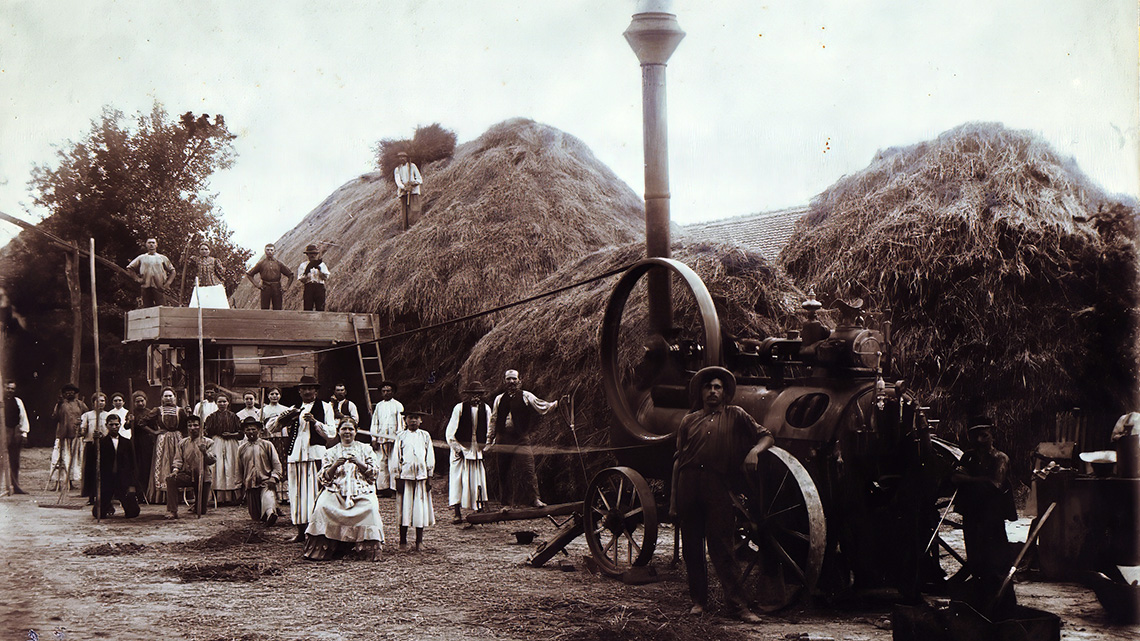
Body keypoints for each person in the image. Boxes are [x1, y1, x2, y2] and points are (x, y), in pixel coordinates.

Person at [670, 366, 773, 623]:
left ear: (724, 392)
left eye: (717, 387)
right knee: (692, 548)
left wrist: (754, 451)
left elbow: (766, 436)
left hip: (717, 484)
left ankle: (738, 606)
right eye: (708, 387)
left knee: (723, 548)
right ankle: (698, 602)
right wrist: (673, 501)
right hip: (688, 485)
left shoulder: (736, 415)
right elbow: (678, 461)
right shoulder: (688, 421)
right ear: (701, 392)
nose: (713, 391)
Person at [951, 416, 1018, 615]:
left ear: (992, 435)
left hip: (992, 516)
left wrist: (970, 480)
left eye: (984, 435)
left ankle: (1003, 605)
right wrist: (981, 480)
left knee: (996, 561)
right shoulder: (968, 457)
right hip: (972, 515)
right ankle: (980, 604)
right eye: (975, 436)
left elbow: (995, 485)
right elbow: (955, 477)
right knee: (975, 558)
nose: (979, 440)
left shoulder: (1000, 458)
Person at [265, 376, 335, 542]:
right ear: (299, 391)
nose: (307, 392)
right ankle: (300, 531)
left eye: (311, 388)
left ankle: (317, 531)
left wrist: (315, 422)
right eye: (304, 389)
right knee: (296, 495)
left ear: (316, 391)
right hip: (295, 456)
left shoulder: (326, 407)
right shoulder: (294, 408)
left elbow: (331, 433)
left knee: (316, 494)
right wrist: (284, 418)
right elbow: (271, 428)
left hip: (315, 455)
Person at [304, 417, 384, 561]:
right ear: (338, 431)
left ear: (356, 431)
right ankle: (327, 547)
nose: (347, 432)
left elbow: (374, 474)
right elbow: (324, 478)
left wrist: (360, 463)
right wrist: (335, 465)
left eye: (350, 429)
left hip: (360, 489)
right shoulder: (331, 451)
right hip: (336, 489)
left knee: (371, 508)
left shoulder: (365, 449)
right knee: (322, 506)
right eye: (344, 429)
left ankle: (365, 549)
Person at [489, 369, 559, 508]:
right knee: (503, 471)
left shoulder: (526, 396)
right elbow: (493, 419)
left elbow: (541, 406)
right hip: (503, 439)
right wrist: (489, 440)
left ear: (519, 381)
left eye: (514, 379)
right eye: (508, 379)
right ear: (504, 381)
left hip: (521, 438)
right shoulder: (499, 399)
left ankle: (535, 499)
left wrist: (556, 404)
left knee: (528, 468)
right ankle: (506, 504)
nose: (511, 382)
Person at [445, 382, 490, 524]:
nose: (475, 397)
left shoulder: (486, 409)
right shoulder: (459, 408)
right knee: (457, 479)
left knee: (478, 479)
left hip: (477, 449)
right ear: (468, 395)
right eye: (473, 394)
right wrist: (457, 449)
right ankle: (457, 512)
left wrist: (487, 447)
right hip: (461, 448)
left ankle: (479, 509)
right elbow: (450, 432)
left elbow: (490, 430)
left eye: (478, 394)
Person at [391, 409, 435, 551]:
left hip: (421, 477)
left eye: (416, 418)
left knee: (419, 509)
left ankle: (419, 541)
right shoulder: (401, 436)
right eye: (410, 417)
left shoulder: (425, 436)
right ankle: (403, 541)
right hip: (405, 477)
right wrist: (397, 478)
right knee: (403, 509)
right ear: (405, 420)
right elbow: (396, 457)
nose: (413, 421)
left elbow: (429, 456)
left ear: (421, 420)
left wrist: (429, 476)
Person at [85, 413, 140, 519]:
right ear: (106, 425)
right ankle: (108, 505)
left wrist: (132, 484)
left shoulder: (127, 442)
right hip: (107, 480)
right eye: (111, 425)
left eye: (116, 424)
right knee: (99, 514)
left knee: (133, 513)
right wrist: (95, 441)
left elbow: (132, 463)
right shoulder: (101, 443)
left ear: (120, 425)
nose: (114, 427)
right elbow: (93, 459)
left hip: (122, 479)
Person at [164, 414, 216, 519]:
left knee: (201, 510)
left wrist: (204, 452)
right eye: (190, 425)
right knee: (170, 479)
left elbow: (212, 461)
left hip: (203, 477)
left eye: (195, 425)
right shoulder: (182, 443)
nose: (192, 428)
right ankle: (172, 511)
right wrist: (175, 471)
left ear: (201, 427)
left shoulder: (208, 442)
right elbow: (178, 460)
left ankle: (197, 505)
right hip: (187, 475)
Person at [145, 387, 188, 505]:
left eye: (170, 396)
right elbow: (142, 422)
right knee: (163, 464)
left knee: (177, 462)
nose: (168, 398)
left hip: (178, 439)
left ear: (174, 397)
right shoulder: (157, 410)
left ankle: (179, 495)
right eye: (166, 396)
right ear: (162, 398)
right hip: (163, 440)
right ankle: (161, 496)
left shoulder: (180, 410)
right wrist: (154, 432)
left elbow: (186, 424)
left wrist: (188, 414)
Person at [237, 416, 282, 524]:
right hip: (250, 484)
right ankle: (264, 514)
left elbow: (276, 464)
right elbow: (238, 469)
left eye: (253, 429)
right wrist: (239, 486)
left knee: (268, 496)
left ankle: (271, 513)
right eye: (248, 429)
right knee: (256, 517)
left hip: (266, 481)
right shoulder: (241, 448)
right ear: (244, 431)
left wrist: (274, 477)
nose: (251, 432)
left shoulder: (267, 445)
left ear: (259, 430)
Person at [204, 391, 243, 505]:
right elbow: (207, 433)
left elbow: (241, 434)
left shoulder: (234, 417)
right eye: (219, 402)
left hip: (231, 444)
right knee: (218, 467)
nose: (222, 404)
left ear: (228, 403)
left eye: (224, 402)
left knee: (231, 466)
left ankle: (232, 497)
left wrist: (231, 435)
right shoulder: (211, 417)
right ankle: (218, 497)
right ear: (216, 403)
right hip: (217, 443)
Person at [48, 383, 87, 491]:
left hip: (75, 435)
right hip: (63, 435)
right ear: (64, 393)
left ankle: (70, 482)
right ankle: (58, 483)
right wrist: (59, 405)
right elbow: (54, 417)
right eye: (67, 391)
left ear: (75, 393)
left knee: (73, 460)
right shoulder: (60, 404)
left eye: (71, 391)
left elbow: (86, 416)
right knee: (60, 459)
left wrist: (81, 423)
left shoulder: (80, 404)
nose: (69, 393)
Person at [369, 381, 403, 495]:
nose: (386, 393)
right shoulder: (379, 406)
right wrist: (374, 438)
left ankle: (394, 489)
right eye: (383, 391)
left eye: (388, 391)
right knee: (381, 463)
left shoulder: (397, 405)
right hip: (381, 439)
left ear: (393, 392)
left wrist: (398, 438)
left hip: (394, 439)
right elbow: (375, 423)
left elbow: (400, 423)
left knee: (394, 463)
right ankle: (383, 488)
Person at [126, 238, 176, 308]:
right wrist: (137, 279)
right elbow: (130, 268)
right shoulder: (141, 258)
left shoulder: (162, 258)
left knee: (161, 308)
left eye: (153, 243)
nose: (151, 245)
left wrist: (168, 283)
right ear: (146, 245)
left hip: (159, 288)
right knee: (147, 309)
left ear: (156, 245)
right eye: (149, 243)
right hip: (146, 287)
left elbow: (173, 271)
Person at [245, 243, 295, 310]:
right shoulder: (261, 263)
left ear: (274, 251)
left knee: (278, 308)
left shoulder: (279, 264)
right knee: (264, 308)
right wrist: (257, 285)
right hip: (265, 287)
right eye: (267, 250)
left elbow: (290, 275)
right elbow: (249, 274)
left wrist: (286, 287)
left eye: (271, 250)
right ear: (265, 251)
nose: (269, 252)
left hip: (277, 288)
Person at [79, 392, 109, 503]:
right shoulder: (87, 415)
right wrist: (79, 428)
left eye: (103, 401)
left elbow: (112, 430)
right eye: (98, 401)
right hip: (91, 444)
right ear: (93, 403)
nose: (100, 403)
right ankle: (91, 496)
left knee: (104, 470)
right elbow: (82, 432)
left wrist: (103, 436)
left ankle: (104, 496)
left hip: (105, 445)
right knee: (90, 470)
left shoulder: (108, 415)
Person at [126, 391, 157, 496]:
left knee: (146, 464)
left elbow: (154, 426)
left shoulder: (150, 412)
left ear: (145, 400)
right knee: (136, 465)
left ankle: (147, 490)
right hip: (135, 441)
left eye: (142, 401)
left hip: (147, 441)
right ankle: (138, 490)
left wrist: (154, 433)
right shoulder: (131, 412)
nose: (140, 403)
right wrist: (130, 421)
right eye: (137, 401)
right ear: (134, 402)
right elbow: (126, 427)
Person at [3, 382, 30, 494]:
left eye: (12, 389)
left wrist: (24, 433)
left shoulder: (18, 401)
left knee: (14, 461)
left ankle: (15, 486)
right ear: (3, 388)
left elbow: (23, 417)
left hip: (14, 432)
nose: (10, 391)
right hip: (2, 432)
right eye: (8, 388)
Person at [394, 151, 423, 228]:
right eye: (400, 157)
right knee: (405, 212)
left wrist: (413, 184)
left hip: (414, 192)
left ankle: (416, 227)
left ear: (407, 158)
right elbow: (398, 181)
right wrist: (405, 187)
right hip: (404, 193)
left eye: (403, 157)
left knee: (415, 210)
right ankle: (406, 228)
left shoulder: (412, 166)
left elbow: (419, 179)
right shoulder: (397, 169)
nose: (402, 159)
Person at [297, 244, 330, 312]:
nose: (313, 255)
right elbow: (301, 279)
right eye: (311, 253)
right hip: (309, 287)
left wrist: (320, 270)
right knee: (307, 307)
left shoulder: (322, 264)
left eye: (314, 254)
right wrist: (307, 273)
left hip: (319, 287)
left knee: (320, 307)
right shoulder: (303, 265)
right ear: (307, 254)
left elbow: (326, 277)